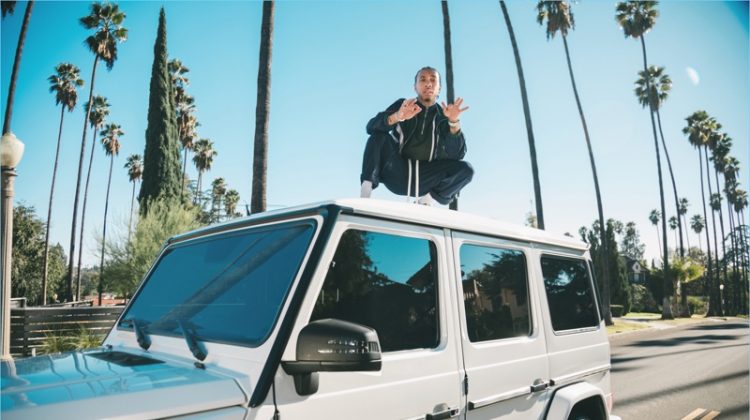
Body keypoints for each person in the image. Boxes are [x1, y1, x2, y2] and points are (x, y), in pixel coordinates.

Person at [360, 66, 473, 206]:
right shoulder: (403, 105)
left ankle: (425, 202)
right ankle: (365, 194)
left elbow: (457, 155)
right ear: (415, 87)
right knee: (378, 135)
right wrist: (397, 116)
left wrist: (453, 122)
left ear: (439, 88)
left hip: (426, 180)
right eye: (423, 79)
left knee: (466, 169)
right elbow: (371, 127)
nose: (428, 84)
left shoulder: (444, 117)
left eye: (433, 80)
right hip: (397, 172)